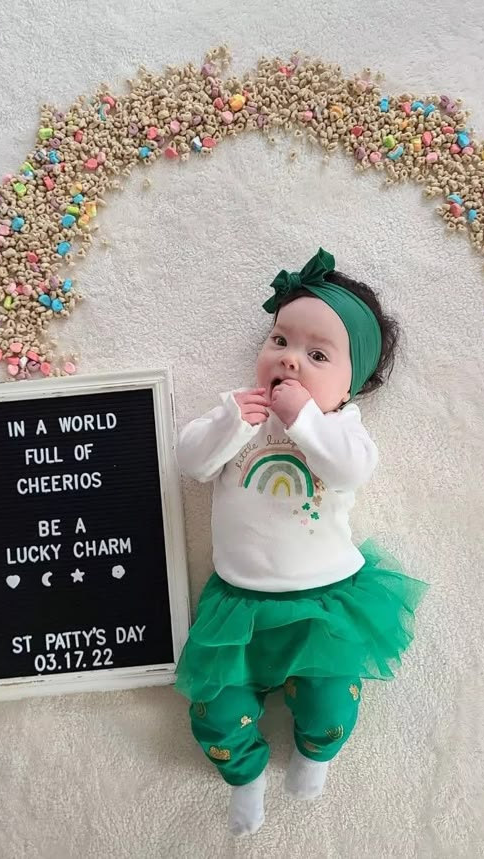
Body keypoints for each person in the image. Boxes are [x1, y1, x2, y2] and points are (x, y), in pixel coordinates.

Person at [174, 247, 428, 835]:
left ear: (352, 384)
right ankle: (244, 777)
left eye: (316, 355)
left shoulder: (342, 428)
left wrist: (306, 422)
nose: (289, 362)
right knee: (216, 710)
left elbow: (349, 471)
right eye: (280, 341)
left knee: (330, 701)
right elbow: (192, 463)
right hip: (238, 603)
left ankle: (317, 753)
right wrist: (229, 422)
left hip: (324, 602)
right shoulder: (241, 415)